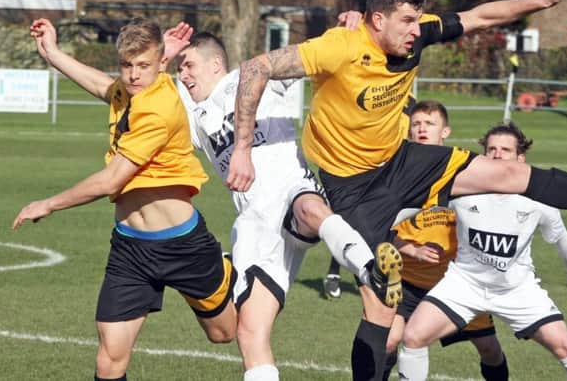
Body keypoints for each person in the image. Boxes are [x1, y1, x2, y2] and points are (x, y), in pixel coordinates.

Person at [227, 0, 567, 381]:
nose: (417, 29)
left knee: (505, 175)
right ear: (377, 20)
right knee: (381, 305)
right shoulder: (339, 47)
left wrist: (543, 1)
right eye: (407, 21)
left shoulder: (418, 35)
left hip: (403, 161)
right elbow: (257, 67)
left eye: (418, 20)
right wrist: (242, 148)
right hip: (353, 190)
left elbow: (480, 16)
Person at [162, 27, 399, 381]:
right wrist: (165, 57)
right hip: (255, 226)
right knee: (249, 333)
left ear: (216, 64)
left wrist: (349, 29)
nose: (184, 74)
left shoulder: (255, 74)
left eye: (189, 65)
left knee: (309, 208)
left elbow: (312, 56)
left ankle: (371, 270)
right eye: (181, 68)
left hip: (291, 190)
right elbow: (149, 93)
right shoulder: (197, 120)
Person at [13, 18, 237, 381]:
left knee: (223, 334)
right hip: (131, 248)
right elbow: (104, 85)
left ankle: (225, 271)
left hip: (183, 245)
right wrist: (53, 53)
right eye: (126, 65)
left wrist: (49, 203)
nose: (133, 75)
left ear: (162, 63)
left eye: (144, 65)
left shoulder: (159, 107)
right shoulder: (129, 90)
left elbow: (112, 179)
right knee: (110, 356)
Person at [402, 121, 567, 381]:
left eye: (505, 150)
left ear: (520, 158)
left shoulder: (539, 200)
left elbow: (561, 238)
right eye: (491, 149)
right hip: (464, 284)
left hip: (517, 289)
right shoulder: (462, 189)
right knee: (413, 337)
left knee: (566, 347)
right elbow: (408, 207)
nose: (496, 155)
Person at [385, 100, 508, 381]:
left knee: (490, 349)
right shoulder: (394, 173)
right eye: (416, 124)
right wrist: (409, 248)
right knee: (390, 342)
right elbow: (376, 228)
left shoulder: (464, 171)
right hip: (405, 282)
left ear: (445, 132)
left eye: (429, 124)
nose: (421, 129)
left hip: (458, 282)